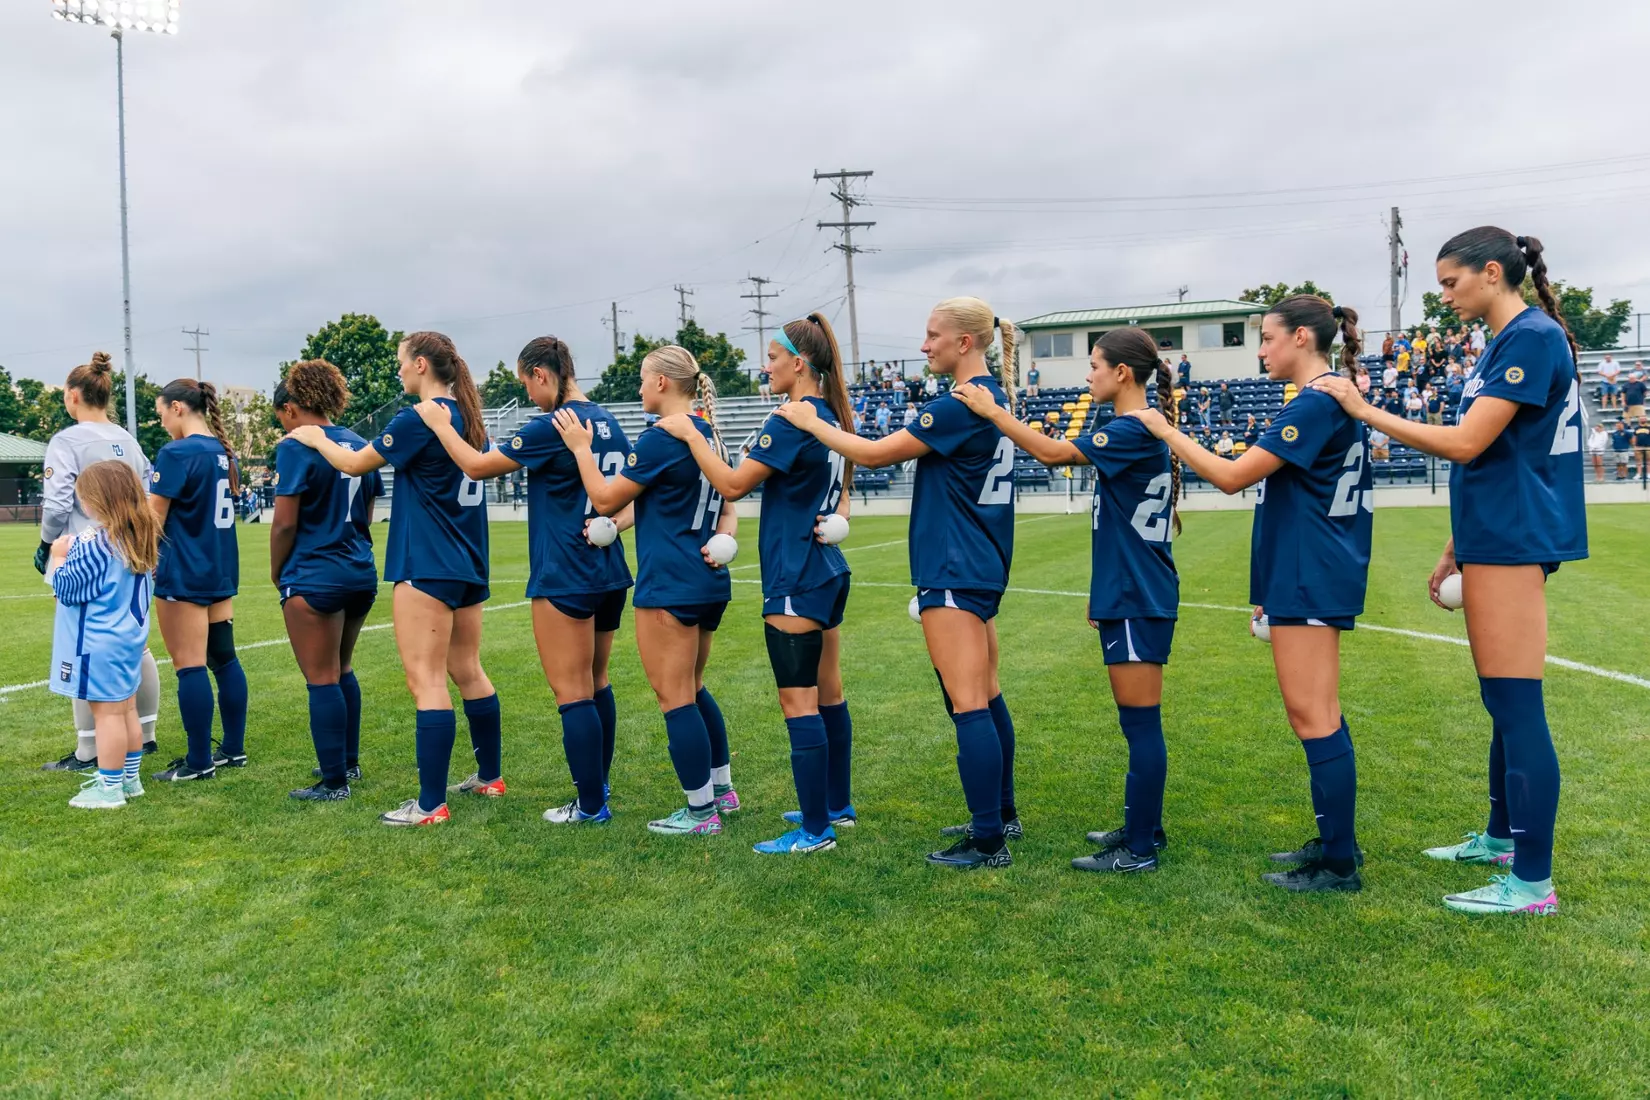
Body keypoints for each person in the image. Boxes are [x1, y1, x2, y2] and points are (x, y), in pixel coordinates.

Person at [1311, 227, 1585, 916]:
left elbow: (1467, 444)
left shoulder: (1530, 337)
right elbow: (1497, 457)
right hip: (1493, 534)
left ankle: (1531, 884)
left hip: (1516, 539)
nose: (1445, 297)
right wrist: (1456, 542)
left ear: (1492, 273)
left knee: (1517, 705)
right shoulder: (1506, 342)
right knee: (1503, 705)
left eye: (1450, 283)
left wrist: (1367, 409)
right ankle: (1501, 837)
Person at [1133, 295, 1371, 894]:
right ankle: (1335, 843)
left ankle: (1339, 862)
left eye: (1266, 337)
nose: (1260, 349)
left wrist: (1165, 429)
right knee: (1316, 714)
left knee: (1313, 715)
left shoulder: (1317, 401)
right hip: (1305, 571)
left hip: (1311, 572)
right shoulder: (1320, 399)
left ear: (1300, 339)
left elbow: (1232, 477)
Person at [776, 297, 1020, 870]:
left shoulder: (961, 402)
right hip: (979, 563)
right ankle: (1000, 813)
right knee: (985, 693)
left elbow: (879, 454)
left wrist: (812, 422)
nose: (924, 345)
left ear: (965, 343)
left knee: (968, 705)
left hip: (955, 564)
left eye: (933, 335)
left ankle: (989, 838)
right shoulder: (992, 398)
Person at [952, 327, 1179, 874]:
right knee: (1138, 722)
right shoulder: (1131, 426)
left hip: (1137, 595)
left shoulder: (1129, 428)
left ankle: (1140, 847)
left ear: (1122, 373)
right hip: (1128, 591)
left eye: (1095, 364)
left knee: (1141, 724)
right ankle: (1143, 824)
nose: (1088, 374)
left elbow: (1053, 455)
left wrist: (994, 411)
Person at [654, 313, 857, 854]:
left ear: (799, 362)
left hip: (796, 575)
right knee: (829, 694)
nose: (764, 366)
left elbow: (733, 484)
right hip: (828, 571)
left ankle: (815, 830)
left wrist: (690, 436)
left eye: (771, 356)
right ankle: (837, 804)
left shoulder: (793, 417)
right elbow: (839, 493)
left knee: (800, 704)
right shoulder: (832, 413)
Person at [415, 336, 632, 825]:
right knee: (598, 682)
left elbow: (476, 465)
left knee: (573, 692)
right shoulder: (611, 422)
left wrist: (439, 424)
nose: (530, 396)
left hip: (565, 573)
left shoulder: (554, 424)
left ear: (541, 374)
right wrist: (615, 525)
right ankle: (599, 786)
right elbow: (632, 497)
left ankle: (591, 804)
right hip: (610, 571)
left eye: (526, 384)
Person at [287, 331, 500, 827]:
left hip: (428, 564)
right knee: (468, 670)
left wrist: (315, 436)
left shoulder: (419, 417)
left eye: (402, 362)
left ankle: (429, 806)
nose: (398, 371)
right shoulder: (470, 417)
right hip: (468, 563)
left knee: (426, 680)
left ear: (422, 364)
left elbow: (355, 463)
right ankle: (489, 777)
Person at [556, 345, 741, 837]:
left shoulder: (662, 435)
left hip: (671, 582)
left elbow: (602, 495)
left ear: (662, 382)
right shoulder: (708, 432)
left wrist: (580, 448)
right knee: (695, 688)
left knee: (674, 696)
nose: (638, 388)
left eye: (642, 379)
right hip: (706, 580)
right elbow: (675, 500)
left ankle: (701, 814)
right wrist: (621, 521)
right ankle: (722, 791)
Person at [36, 351, 163, 773]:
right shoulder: (128, 438)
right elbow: (148, 493)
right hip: (132, 548)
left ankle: (90, 748)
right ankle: (143, 735)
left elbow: (56, 505)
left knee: (83, 644)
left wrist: (47, 545)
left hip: (87, 550)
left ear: (73, 395)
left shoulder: (67, 440)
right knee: (136, 642)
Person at [270, 360, 384, 802]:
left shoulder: (296, 444)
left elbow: (284, 524)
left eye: (281, 414)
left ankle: (333, 782)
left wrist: (277, 571)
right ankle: (347, 764)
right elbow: (368, 512)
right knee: (342, 669)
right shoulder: (359, 444)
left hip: (315, 573)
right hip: (358, 568)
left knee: (320, 677)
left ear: (293, 407)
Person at [148, 379, 248, 784]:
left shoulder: (177, 452)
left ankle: (199, 760)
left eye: (160, 414)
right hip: (220, 567)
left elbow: (152, 520)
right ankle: (233, 750)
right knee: (224, 658)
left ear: (177, 408)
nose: (161, 423)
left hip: (184, 570)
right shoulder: (224, 452)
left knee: (189, 665)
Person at [46, 461, 160, 809]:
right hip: (128, 638)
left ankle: (109, 788)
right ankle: (129, 778)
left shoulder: (98, 543)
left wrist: (58, 557)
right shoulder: (138, 534)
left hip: (99, 642)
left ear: (99, 500)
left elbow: (66, 589)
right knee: (126, 710)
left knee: (107, 715)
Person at [1635, 416, 1650, 481]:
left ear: (1646, 420)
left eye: (1644, 418)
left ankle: (1648, 474)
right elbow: (1634, 437)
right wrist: (1635, 446)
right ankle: (1639, 474)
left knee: (1648, 461)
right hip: (1638, 447)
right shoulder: (1636, 428)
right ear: (1639, 420)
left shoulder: (1649, 427)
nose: (1642, 419)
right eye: (1641, 419)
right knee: (1638, 462)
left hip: (1648, 447)